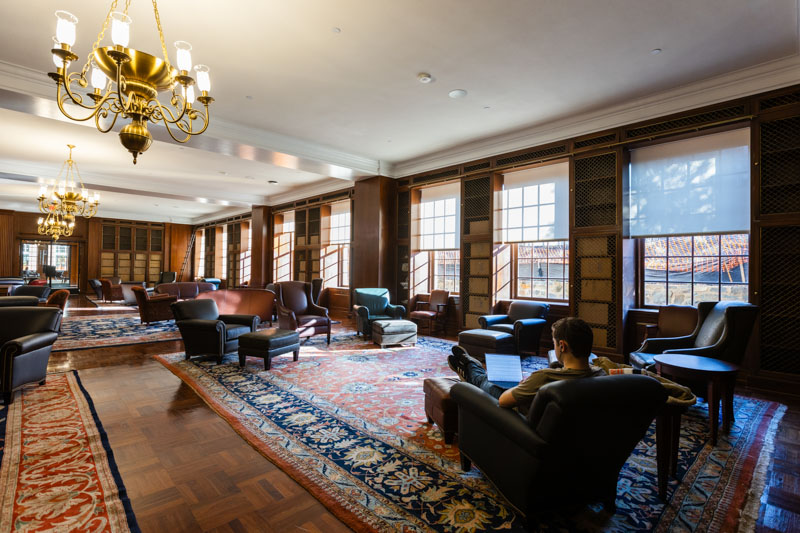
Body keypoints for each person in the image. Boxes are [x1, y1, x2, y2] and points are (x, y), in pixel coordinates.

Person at [448, 317, 605, 414]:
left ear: (562, 346)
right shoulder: (601, 375)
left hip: (519, 420)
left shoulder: (544, 377)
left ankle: (471, 367)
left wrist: (522, 386)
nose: (555, 347)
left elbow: (503, 400)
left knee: (486, 382)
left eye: (554, 343)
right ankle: (471, 365)